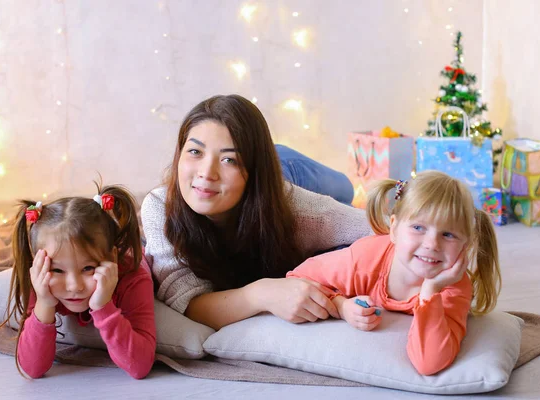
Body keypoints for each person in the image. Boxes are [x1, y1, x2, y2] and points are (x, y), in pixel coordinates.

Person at [141, 94, 372, 330]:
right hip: (267, 170)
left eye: (229, 159)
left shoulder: (302, 211)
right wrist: (260, 295)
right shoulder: (160, 207)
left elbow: (378, 228)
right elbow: (187, 303)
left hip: (289, 168)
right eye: (195, 152)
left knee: (345, 187)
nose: (206, 173)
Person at [287, 170, 502, 375]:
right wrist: (341, 305)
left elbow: (429, 362)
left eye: (448, 234)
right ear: (394, 229)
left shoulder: (454, 286)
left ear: (466, 244)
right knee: (339, 187)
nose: (432, 244)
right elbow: (296, 278)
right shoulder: (364, 259)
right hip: (338, 250)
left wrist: (430, 291)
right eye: (418, 227)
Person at [1, 183, 156, 379]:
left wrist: (103, 306)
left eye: (88, 268)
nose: (74, 286)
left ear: (113, 258)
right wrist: (44, 302)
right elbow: (33, 369)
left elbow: (139, 367)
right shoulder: (40, 278)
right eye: (58, 269)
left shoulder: (134, 277)